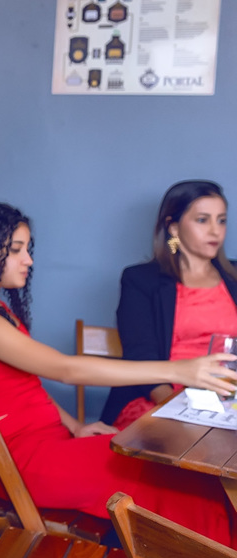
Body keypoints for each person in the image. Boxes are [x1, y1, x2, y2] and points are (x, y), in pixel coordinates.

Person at [0, 201, 237, 558]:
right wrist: (178, 369)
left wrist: (75, 425)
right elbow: (65, 369)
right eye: (15, 249)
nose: (28, 260)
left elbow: (24, 387)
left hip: (50, 446)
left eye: (29, 249)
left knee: (189, 478)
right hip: (30, 463)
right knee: (181, 485)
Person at [102, 179, 237, 427]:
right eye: (202, 220)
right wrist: (181, 410)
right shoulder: (141, 280)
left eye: (221, 220)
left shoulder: (234, 277)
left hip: (227, 401)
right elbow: (140, 356)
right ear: (173, 227)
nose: (215, 231)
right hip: (160, 398)